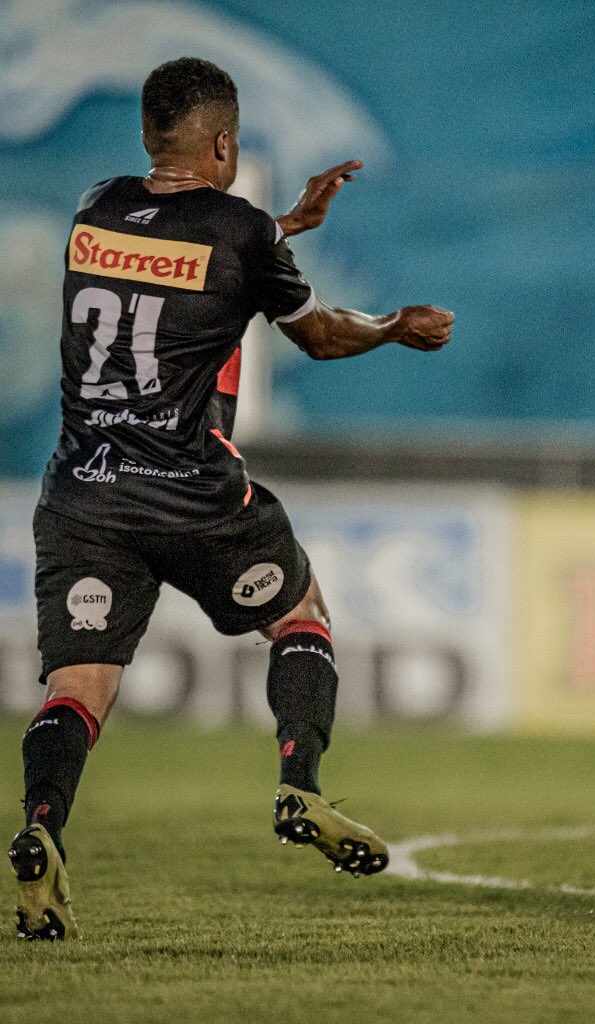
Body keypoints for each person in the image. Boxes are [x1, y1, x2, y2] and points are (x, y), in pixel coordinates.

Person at [10, 56, 454, 941]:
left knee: (77, 688)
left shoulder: (93, 211)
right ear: (222, 143)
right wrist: (396, 328)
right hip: (194, 495)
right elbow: (320, 336)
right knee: (301, 621)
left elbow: (187, 266)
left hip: (82, 498)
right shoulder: (240, 233)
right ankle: (300, 784)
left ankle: (39, 829)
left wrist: (285, 224)